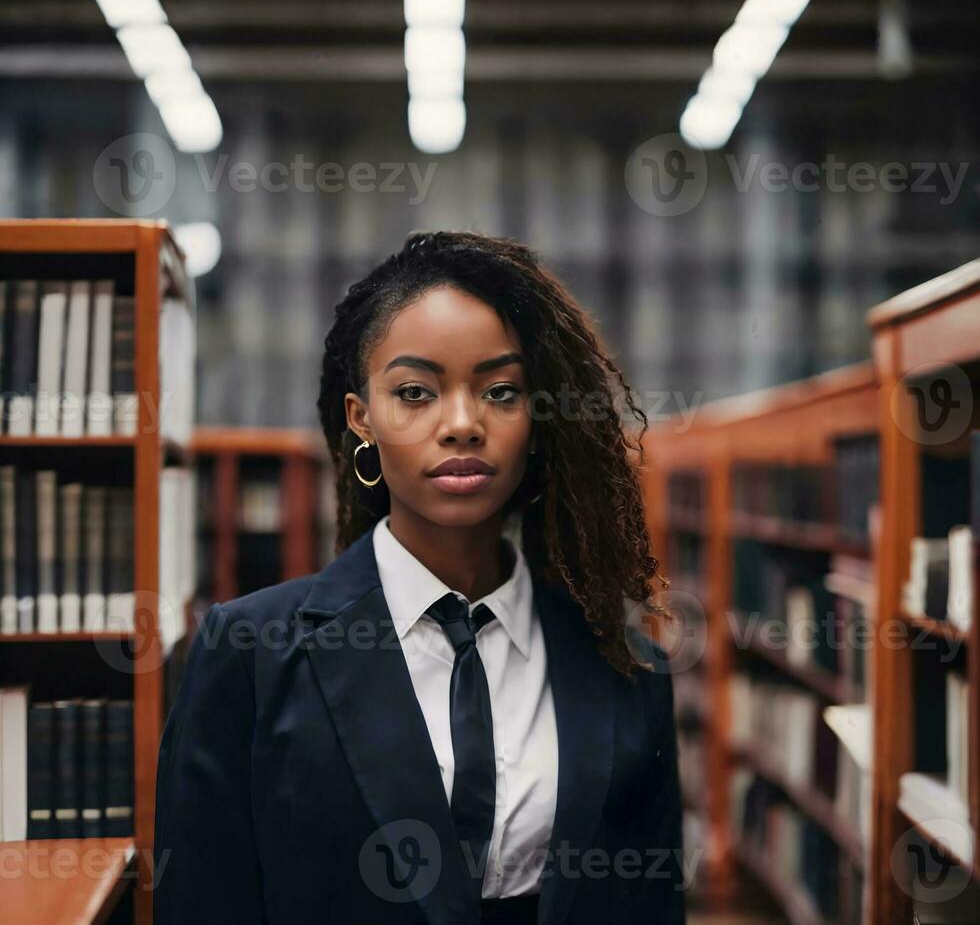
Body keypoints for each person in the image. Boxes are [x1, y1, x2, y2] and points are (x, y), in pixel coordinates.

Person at [153, 230, 686, 925]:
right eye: (415, 392)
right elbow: (202, 901)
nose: (462, 424)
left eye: (501, 391)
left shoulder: (622, 656)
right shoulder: (249, 652)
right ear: (362, 419)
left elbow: (649, 905)